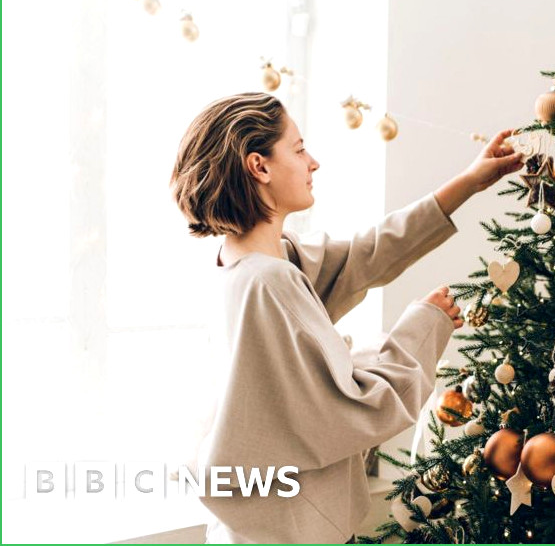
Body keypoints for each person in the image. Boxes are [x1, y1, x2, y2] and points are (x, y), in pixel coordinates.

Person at [168, 92, 523, 543]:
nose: (313, 162)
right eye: (298, 149)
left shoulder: (248, 262)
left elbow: (366, 253)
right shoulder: (269, 283)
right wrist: (426, 322)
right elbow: (355, 408)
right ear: (259, 167)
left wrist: (469, 182)